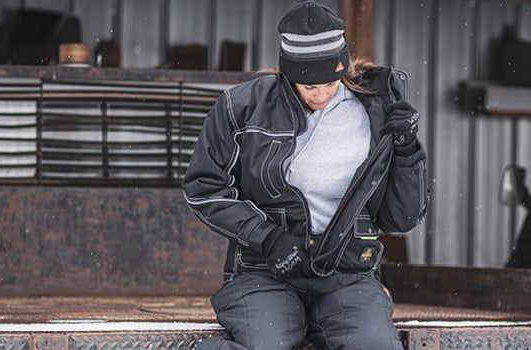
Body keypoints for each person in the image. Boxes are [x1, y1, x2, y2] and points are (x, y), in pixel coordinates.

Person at [182, 1, 429, 349]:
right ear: (288, 73)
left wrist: (406, 150)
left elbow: (401, 217)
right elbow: (204, 187)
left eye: (330, 82)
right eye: (308, 85)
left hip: (348, 274)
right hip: (265, 272)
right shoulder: (242, 107)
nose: (321, 94)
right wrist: (267, 237)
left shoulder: (376, 109)